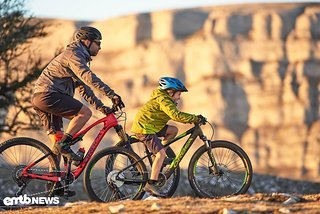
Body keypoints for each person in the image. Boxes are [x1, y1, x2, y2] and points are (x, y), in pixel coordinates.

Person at [32, 26, 124, 195]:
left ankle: (55, 184)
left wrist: (101, 106)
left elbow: (84, 89)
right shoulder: (74, 54)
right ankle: (65, 145)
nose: (100, 47)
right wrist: (111, 94)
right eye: (98, 43)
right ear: (86, 41)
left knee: (57, 144)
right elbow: (88, 78)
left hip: (43, 97)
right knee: (84, 113)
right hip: (48, 95)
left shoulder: (77, 56)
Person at [131, 77, 202, 197]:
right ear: (170, 91)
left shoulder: (167, 99)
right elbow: (175, 115)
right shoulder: (164, 99)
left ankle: (158, 155)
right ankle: (151, 184)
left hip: (153, 126)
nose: (179, 97)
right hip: (144, 128)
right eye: (178, 93)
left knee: (173, 130)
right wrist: (195, 118)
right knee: (161, 154)